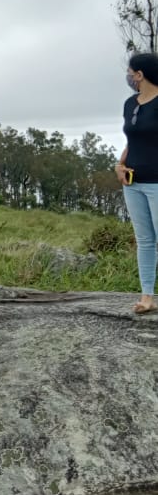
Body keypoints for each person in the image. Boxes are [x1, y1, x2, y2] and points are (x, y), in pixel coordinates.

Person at [116, 51, 158, 314]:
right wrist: (120, 164)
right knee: (144, 240)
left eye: (131, 72)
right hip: (133, 182)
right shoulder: (130, 104)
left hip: (157, 182)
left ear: (140, 75)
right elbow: (132, 141)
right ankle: (146, 296)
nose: (129, 76)